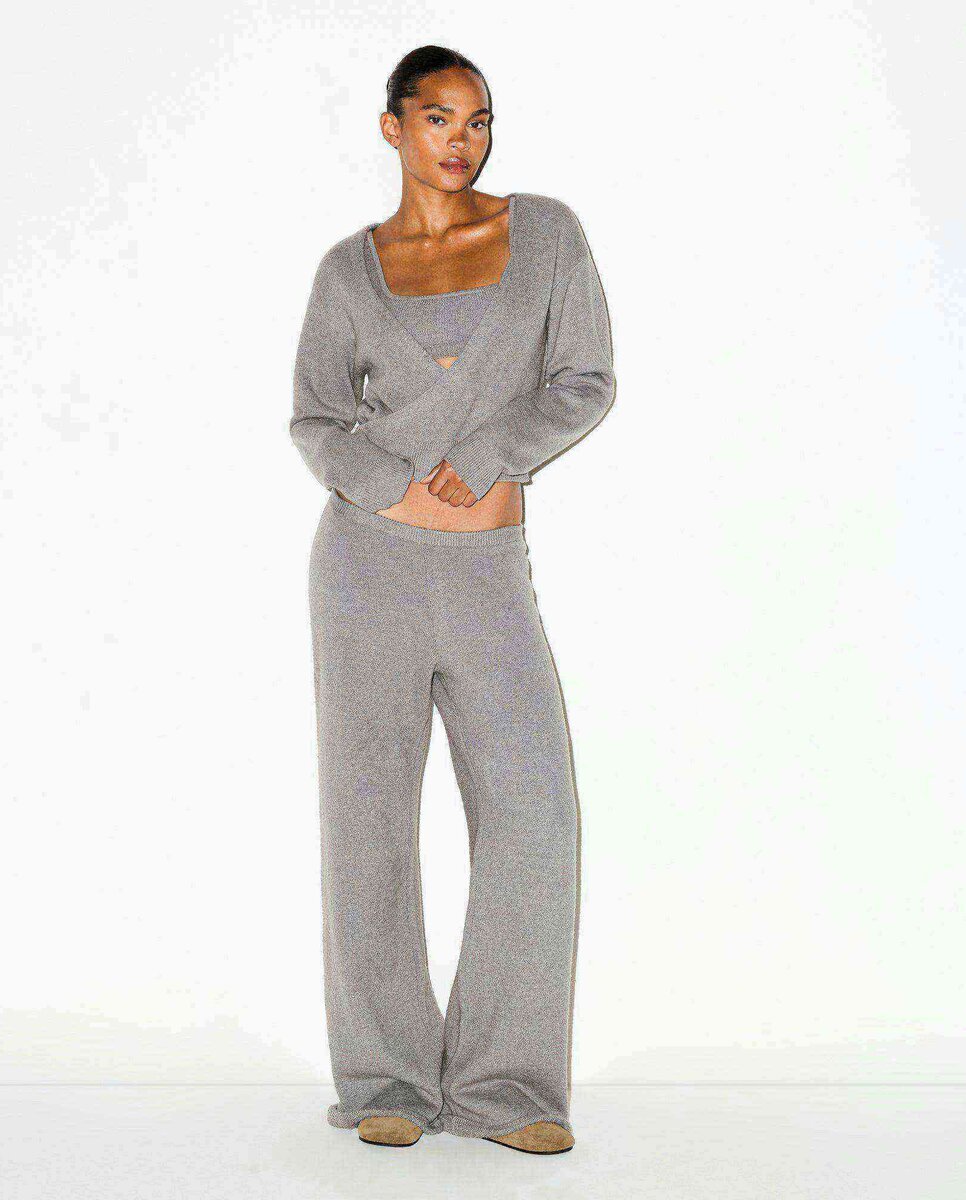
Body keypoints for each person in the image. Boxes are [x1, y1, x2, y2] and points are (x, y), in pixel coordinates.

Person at [288, 44, 615, 1155]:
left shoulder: (547, 237)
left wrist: (485, 459)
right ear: (394, 127)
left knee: (535, 816)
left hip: (486, 573)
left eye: (478, 120)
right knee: (368, 822)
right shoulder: (347, 273)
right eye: (438, 118)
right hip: (364, 569)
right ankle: (384, 1078)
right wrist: (385, 484)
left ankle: (506, 1088)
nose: (461, 140)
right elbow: (315, 416)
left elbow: (585, 380)